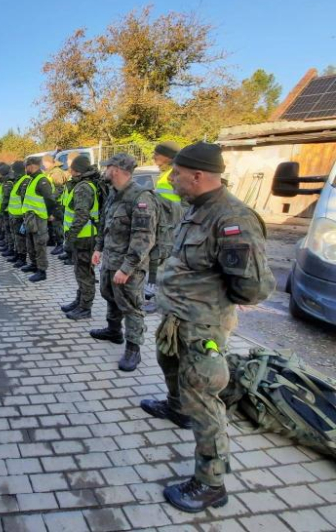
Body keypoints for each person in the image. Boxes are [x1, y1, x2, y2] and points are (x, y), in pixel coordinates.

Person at [139, 142, 275, 512]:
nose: (172, 179)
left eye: (178, 174)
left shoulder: (232, 219)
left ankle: (210, 483)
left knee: (203, 398)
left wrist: (216, 302)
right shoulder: (195, 210)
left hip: (202, 328)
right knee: (170, 367)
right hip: (176, 321)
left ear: (197, 176)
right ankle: (174, 408)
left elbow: (254, 286)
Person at [90, 153, 156, 372]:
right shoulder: (113, 193)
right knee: (110, 295)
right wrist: (98, 248)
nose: (104, 171)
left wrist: (127, 268)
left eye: (106, 167)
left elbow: (143, 238)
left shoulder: (140, 197)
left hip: (129, 267)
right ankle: (113, 330)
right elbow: (105, 223)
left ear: (116, 170)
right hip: (110, 259)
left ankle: (133, 349)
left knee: (131, 306)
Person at [144, 140, 185, 313]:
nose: (153, 156)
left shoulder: (174, 175)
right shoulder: (167, 174)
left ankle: (162, 304)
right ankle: (156, 299)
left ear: (167, 156)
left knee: (166, 268)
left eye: (157, 153)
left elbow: (185, 206)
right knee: (158, 265)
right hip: (164, 229)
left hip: (172, 231)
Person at [60, 155, 102, 320]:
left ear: (76, 170)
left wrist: (70, 237)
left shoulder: (83, 187)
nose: (69, 170)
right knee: (81, 272)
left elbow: (81, 216)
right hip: (82, 236)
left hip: (85, 238)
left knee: (85, 274)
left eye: (71, 167)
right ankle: (79, 301)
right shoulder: (81, 185)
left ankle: (85, 308)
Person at [20, 156, 56, 282]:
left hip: (39, 219)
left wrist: (51, 214)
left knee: (39, 244)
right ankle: (34, 265)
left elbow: (50, 200)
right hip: (30, 218)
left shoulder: (42, 180)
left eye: (26, 166)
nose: (25, 169)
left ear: (32, 166)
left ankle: (42, 271)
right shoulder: (32, 179)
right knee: (30, 244)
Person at [42, 154, 69, 251]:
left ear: (49, 162)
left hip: (57, 202)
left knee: (56, 222)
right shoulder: (49, 172)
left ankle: (60, 244)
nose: (44, 165)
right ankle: (52, 240)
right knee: (50, 222)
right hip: (51, 201)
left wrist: (52, 199)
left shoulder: (56, 172)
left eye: (44, 163)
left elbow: (59, 188)